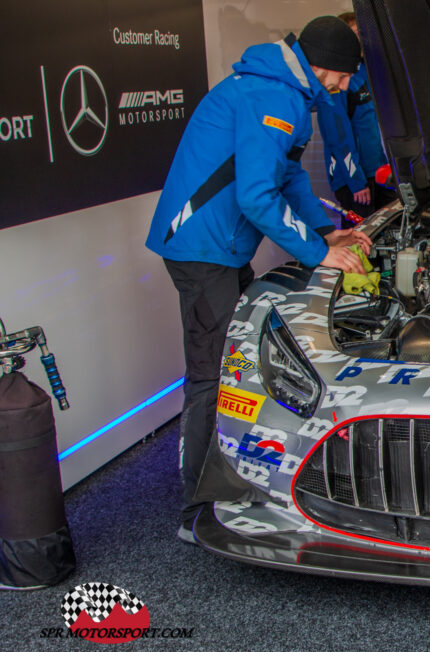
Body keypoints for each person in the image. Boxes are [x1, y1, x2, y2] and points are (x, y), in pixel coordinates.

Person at [146, 16, 373, 541]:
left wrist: (325, 231)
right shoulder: (272, 95)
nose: (343, 88)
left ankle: (235, 475)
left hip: (220, 246)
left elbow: (289, 173)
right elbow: (256, 195)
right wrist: (320, 254)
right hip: (203, 250)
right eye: (341, 78)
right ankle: (199, 508)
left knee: (233, 363)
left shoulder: (289, 91)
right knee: (212, 378)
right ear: (322, 67)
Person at [318, 11, 389, 217]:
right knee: (358, 240)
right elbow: (337, 135)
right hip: (355, 180)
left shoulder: (367, 71)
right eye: (355, 34)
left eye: (362, 34)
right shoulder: (337, 79)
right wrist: (356, 182)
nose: (360, 40)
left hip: (378, 173)